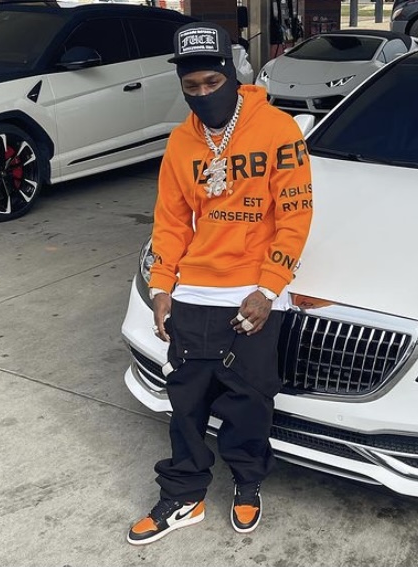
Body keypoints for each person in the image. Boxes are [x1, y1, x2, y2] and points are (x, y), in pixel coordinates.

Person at [127, 22, 313, 545]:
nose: (203, 95)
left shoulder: (278, 131)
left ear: (232, 77)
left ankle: (248, 483)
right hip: (194, 292)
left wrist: (268, 287)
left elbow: (295, 217)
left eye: (212, 83)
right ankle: (184, 496)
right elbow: (169, 221)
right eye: (192, 87)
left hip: (254, 291)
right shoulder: (180, 142)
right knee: (185, 402)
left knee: (247, 401)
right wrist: (163, 286)